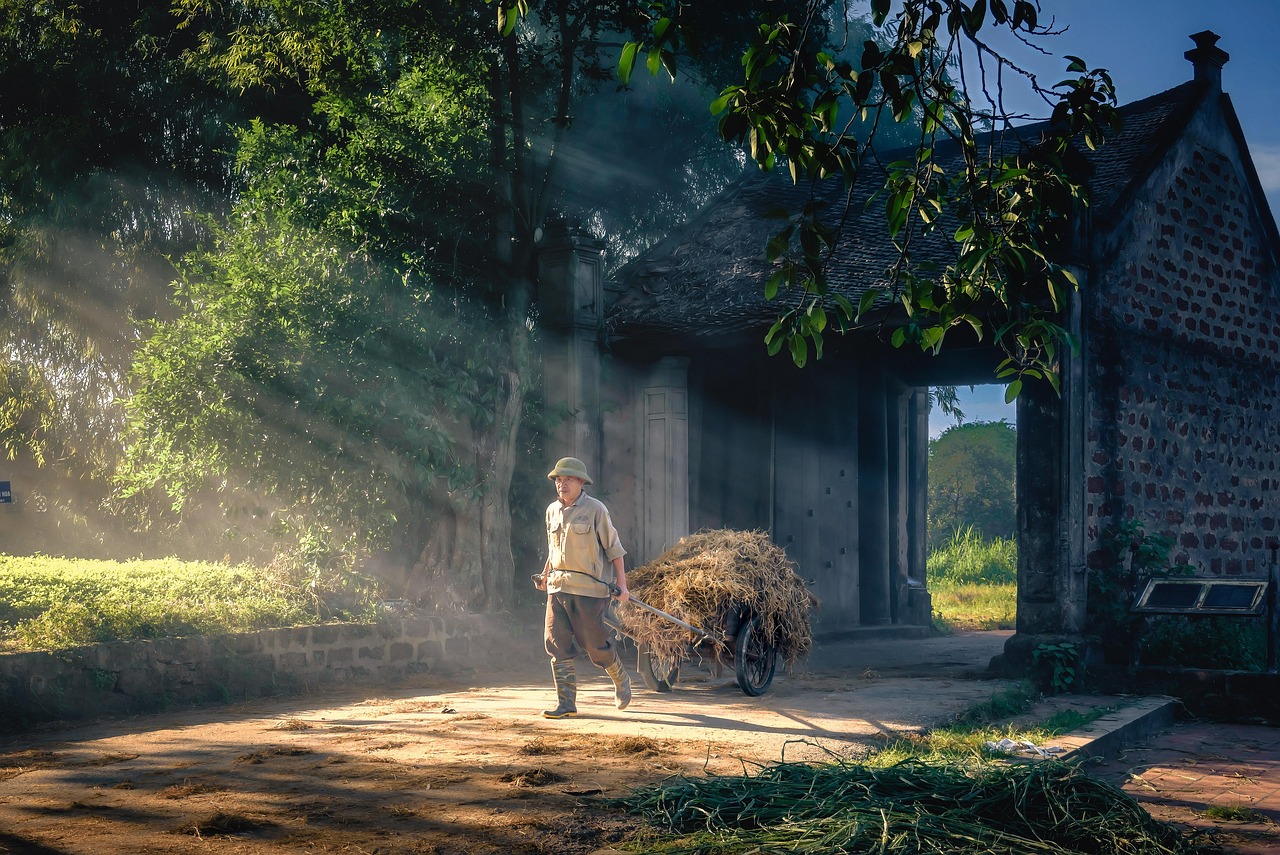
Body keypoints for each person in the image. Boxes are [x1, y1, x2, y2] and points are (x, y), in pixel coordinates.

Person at [533, 456, 631, 718]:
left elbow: (614, 549)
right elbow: (553, 549)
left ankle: (620, 678)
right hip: (558, 586)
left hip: (589, 590)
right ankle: (566, 704)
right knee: (555, 642)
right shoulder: (552, 511)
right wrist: (544, 575)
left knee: (594, 645)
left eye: (567, 480)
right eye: (558, 480)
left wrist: (622, 585)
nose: (561, 485)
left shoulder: (596, 509)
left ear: (580, 483)